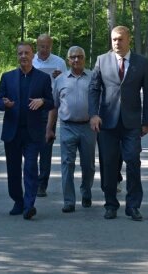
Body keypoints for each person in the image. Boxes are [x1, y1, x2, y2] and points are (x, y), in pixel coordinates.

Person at [89, 26, 148, 221]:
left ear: (129, 40)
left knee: (133, 161)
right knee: (108, 165)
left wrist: (146, 121)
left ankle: (133, 206)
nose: (116, 43)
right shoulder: (102, 60)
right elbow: (94, 88)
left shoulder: (141, 62)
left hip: (131, 123)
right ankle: (110, 205)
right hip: (107, 123)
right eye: (114, 39)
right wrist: (93, 114)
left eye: (120, 39)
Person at [0, 42, 54, 220]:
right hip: (12, 131)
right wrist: (4, 104)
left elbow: (52, 103)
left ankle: (30, 205)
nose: (23, 56)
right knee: (13, 169)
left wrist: (42, 101)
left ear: (33, 55)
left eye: (26, 53)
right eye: (20, 53)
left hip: (33, 132)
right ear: (17, 56)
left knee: (30, 167)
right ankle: (18, 201)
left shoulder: (43, 78)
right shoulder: (8, 77)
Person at [48, 46, 95, 213]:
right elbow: (54, 106)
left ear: (84, 58)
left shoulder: (93, 77)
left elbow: (101, 102)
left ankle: (86, 192)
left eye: (80, 57)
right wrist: (49, 129)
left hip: (88, 127)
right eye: (73, 57)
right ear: (68, 60)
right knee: (67, 164)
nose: (76, 60)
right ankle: (69, 200)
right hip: (67, 126)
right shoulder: (60, 80)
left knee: (88, 164)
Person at [32, 33, 67, 197]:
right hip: (31, 107)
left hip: (50, 107)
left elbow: (67, 81)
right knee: (31, 145)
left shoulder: (59, 62)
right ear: (37, 46)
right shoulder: (31, 60)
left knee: (46, 145)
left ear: (51, 46)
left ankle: (42, 184)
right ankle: (31, 180)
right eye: (41, 46)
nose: (44, 49)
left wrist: (60, 77)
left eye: (47, 46)